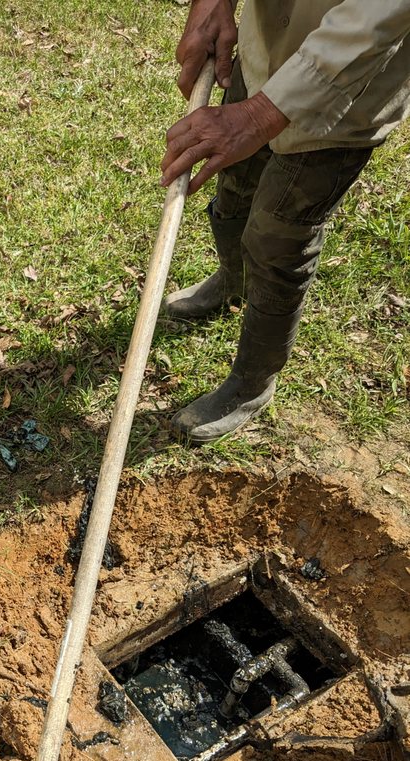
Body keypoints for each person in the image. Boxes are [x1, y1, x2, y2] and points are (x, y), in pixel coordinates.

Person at [159, 0, 410, 444]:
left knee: (277, 237)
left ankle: (251, 384)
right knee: (234, 188)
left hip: (346, 92)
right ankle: (234, 283)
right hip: (263, 52)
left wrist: (257, 116)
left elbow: (379, 14)